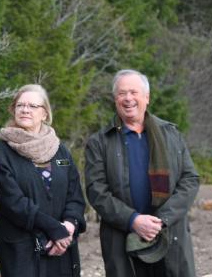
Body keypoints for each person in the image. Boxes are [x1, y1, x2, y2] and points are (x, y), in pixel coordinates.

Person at [85, 69, 200, 277]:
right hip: (121, 239)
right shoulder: (99, 142)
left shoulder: (171, 134)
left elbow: (190, 179)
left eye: (133, 92)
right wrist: (134, 220)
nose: (128, 98)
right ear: (115, 99)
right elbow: (96, 192)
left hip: (169, 234)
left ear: (147, 97)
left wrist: (161, 220)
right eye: (121, 93)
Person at [0, 84, 86, 277]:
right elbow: (12, 202)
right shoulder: (2, 151)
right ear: (13, 109)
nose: (25, 110)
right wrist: (54, 229)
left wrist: (68, 227)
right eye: (20, 105)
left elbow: (75, 195)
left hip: (61, 249)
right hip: (23, 252)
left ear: (44, 113)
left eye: (32, 106)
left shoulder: (60, 150)